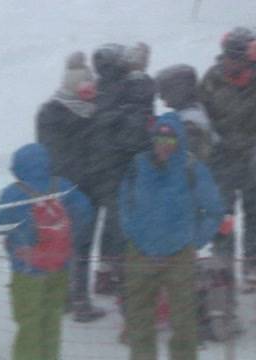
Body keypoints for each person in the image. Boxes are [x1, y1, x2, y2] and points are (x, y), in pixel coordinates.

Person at [119, 112, 224, 360]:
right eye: (159, 139)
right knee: (139, 322)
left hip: (179, 256)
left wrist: (193, 240)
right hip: (140, 254)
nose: (164, 146)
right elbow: (124, 202)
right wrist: (133, 233)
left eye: (170, 140)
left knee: (184, 325)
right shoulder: (137, 165)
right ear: (152, 139)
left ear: (180, 141)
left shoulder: (192, 169)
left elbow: (214, 211)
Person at [0, 143, 94, 360]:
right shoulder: (62, 186)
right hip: (59, 268)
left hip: (26, 271)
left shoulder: (13, 193)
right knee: (52, 322)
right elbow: (85, 210)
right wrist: (69, 237)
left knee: (29, 326)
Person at [36, 51, 105, 322]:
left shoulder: (49, 112)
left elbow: (48, 152)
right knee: (81, 246)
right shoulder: (90, 114)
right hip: (84, 188)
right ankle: (79, 300)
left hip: (61, 189)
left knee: (61, 243)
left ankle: (62, 296)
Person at [86, 43, 155, 295]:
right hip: (121, 164)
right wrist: (139, 76)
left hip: (100, 165)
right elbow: (135, 128)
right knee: (121, 221)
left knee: (109, 222)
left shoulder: (101, 88)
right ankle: (117, 273)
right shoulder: (126, 87)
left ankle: (104, 272)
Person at [199, 27, 256, 290]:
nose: (240, 66)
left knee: (254, 211)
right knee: (222, 213)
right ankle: (223, 265)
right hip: (222, 157)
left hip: (252, 155)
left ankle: (252, 263)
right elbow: (202, 117)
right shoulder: (212, 79)